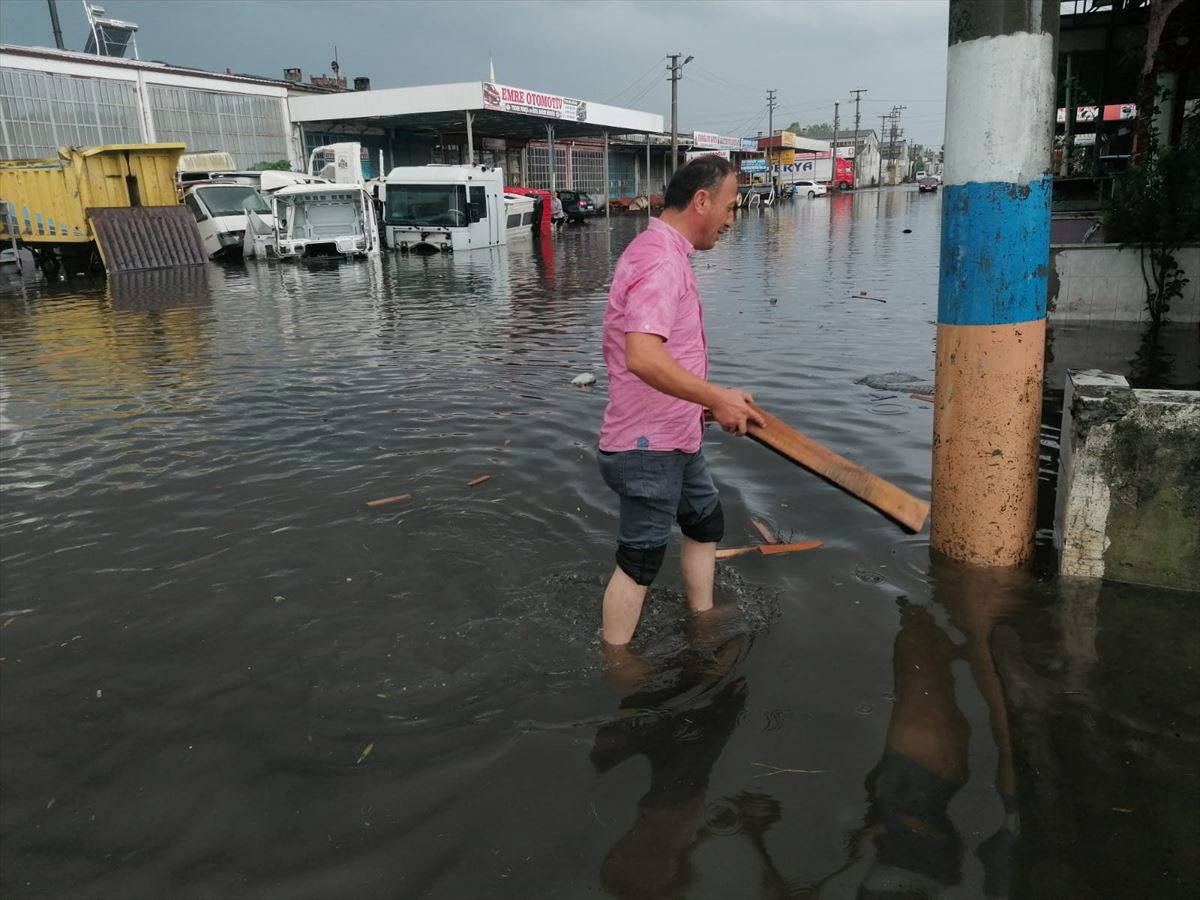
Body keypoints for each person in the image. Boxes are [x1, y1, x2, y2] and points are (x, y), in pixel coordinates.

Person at [596, 154, 764, 647]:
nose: (733, 221)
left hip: (675, 432)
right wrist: (715, 395)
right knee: (641, 559)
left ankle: (702, 617)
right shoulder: (660, 260)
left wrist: (707, 404)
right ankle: (618, 664)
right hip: (647, 447)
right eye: (731, 207)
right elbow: (643, 357)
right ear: (702, 201)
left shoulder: (660, 252)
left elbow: (661, 357)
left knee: (704, 521)